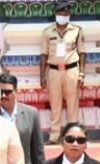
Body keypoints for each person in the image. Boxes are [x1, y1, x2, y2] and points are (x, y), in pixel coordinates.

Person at [40, 1, 86, 144]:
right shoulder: (48, 32)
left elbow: (82, 53)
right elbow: (43, 55)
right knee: (55, 104)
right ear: (56, 14)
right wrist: (42, 75)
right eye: (60, 13)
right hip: (53, 71)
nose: (63, 16)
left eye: (66, 14)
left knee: (73, 104)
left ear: (69, 15)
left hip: (71, 70)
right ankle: (54, 135)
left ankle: (72, 135)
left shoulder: (77, 30)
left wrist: (82, 73)